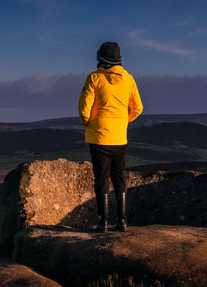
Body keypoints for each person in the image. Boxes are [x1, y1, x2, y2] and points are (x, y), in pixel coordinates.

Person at [77, 41, 143, 232]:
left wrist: (89, 123)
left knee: (101, 178)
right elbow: (138, 107)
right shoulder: (128, 79)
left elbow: (84, 109)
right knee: (119, 177)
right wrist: (122, 122)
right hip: (120, 137)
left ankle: (102, 222)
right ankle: (122, 221)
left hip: (99, 138)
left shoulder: (94, 78)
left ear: (100, 59)